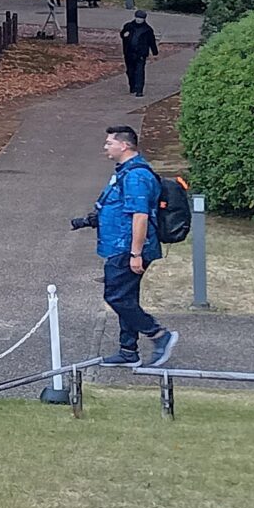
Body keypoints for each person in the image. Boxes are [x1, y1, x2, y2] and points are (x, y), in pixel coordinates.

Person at [75, 125, 176, 367]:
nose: (105, 146)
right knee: (127, 297)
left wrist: (135, 253)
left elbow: (140, 216)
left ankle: (159, 335)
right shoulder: (125, 172)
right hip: (119, 246)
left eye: (109, 142)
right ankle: (128, 351)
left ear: (124, 145)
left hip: (128, 248)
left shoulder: (135, 176)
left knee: (116, 296)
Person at [120, 9, 158, 98]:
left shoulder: (147, 30)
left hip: (141, 53)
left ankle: (139, 90)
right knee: (130, 71)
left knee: (139, 71)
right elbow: (122, 34)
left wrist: (154, 52)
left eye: (141, 18)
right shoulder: (128, 26)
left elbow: (151, 41)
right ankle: (132, 85)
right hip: (129, 52)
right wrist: (124, 35)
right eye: (137, 17)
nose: (138, 19)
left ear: (144, 19)